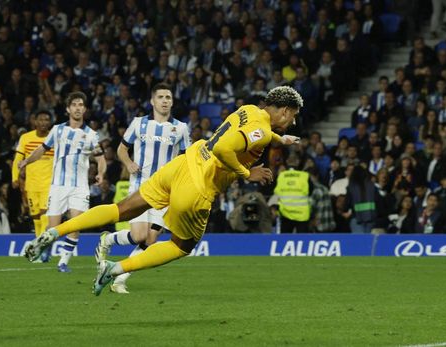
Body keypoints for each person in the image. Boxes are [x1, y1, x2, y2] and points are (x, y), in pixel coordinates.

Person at [23, 86, 303, 295]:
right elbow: (225, 148)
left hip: (183, 163)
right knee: (182, 246)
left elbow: (252, 132)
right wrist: (247, 173)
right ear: (285, 110)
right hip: (199, 184)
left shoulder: (251, 110)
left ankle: (54, 232)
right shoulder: (263, 133)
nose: (291, 122)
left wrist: (282, 137)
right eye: (292, 118)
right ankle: (116, 269)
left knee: (121, 209)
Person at [95, 83, 191, 294]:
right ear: (152, 101)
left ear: (172, 101)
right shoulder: (138, 124)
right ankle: (108, 239)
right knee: (139, 236)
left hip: (165, 191)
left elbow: (186, 160)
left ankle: (120, 278)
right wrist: (128, 163)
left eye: (168, 97)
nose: (165, 100)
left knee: (151, 239)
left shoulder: (181, 128)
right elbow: (122, 149)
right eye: (161, 97)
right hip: (139, 187)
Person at [19, 92, 107, 273]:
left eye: (81, 105)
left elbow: (101, 159)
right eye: (74, 104)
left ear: (84, 109)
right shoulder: (58, 130)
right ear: (68, 109)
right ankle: (47, 248)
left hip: (79, 187)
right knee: (54, 227)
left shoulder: (91, 135)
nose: (77, 107)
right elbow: (42, 149)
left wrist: (100, 174)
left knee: (76, 224)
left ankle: (63, 263)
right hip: (58, 186)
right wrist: (26, 161)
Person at [11, 110, 53, 261]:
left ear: (50, 122)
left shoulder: (53, 137)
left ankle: (42, 249)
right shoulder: (26, 138)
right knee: (35, 216)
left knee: (44, 215)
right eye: (40, 119)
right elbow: (18, 159)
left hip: (48, 184)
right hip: (31, 184)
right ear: (35, 121)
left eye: (46, 120)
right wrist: (15, 177)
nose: (43, 122)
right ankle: (40, 246)